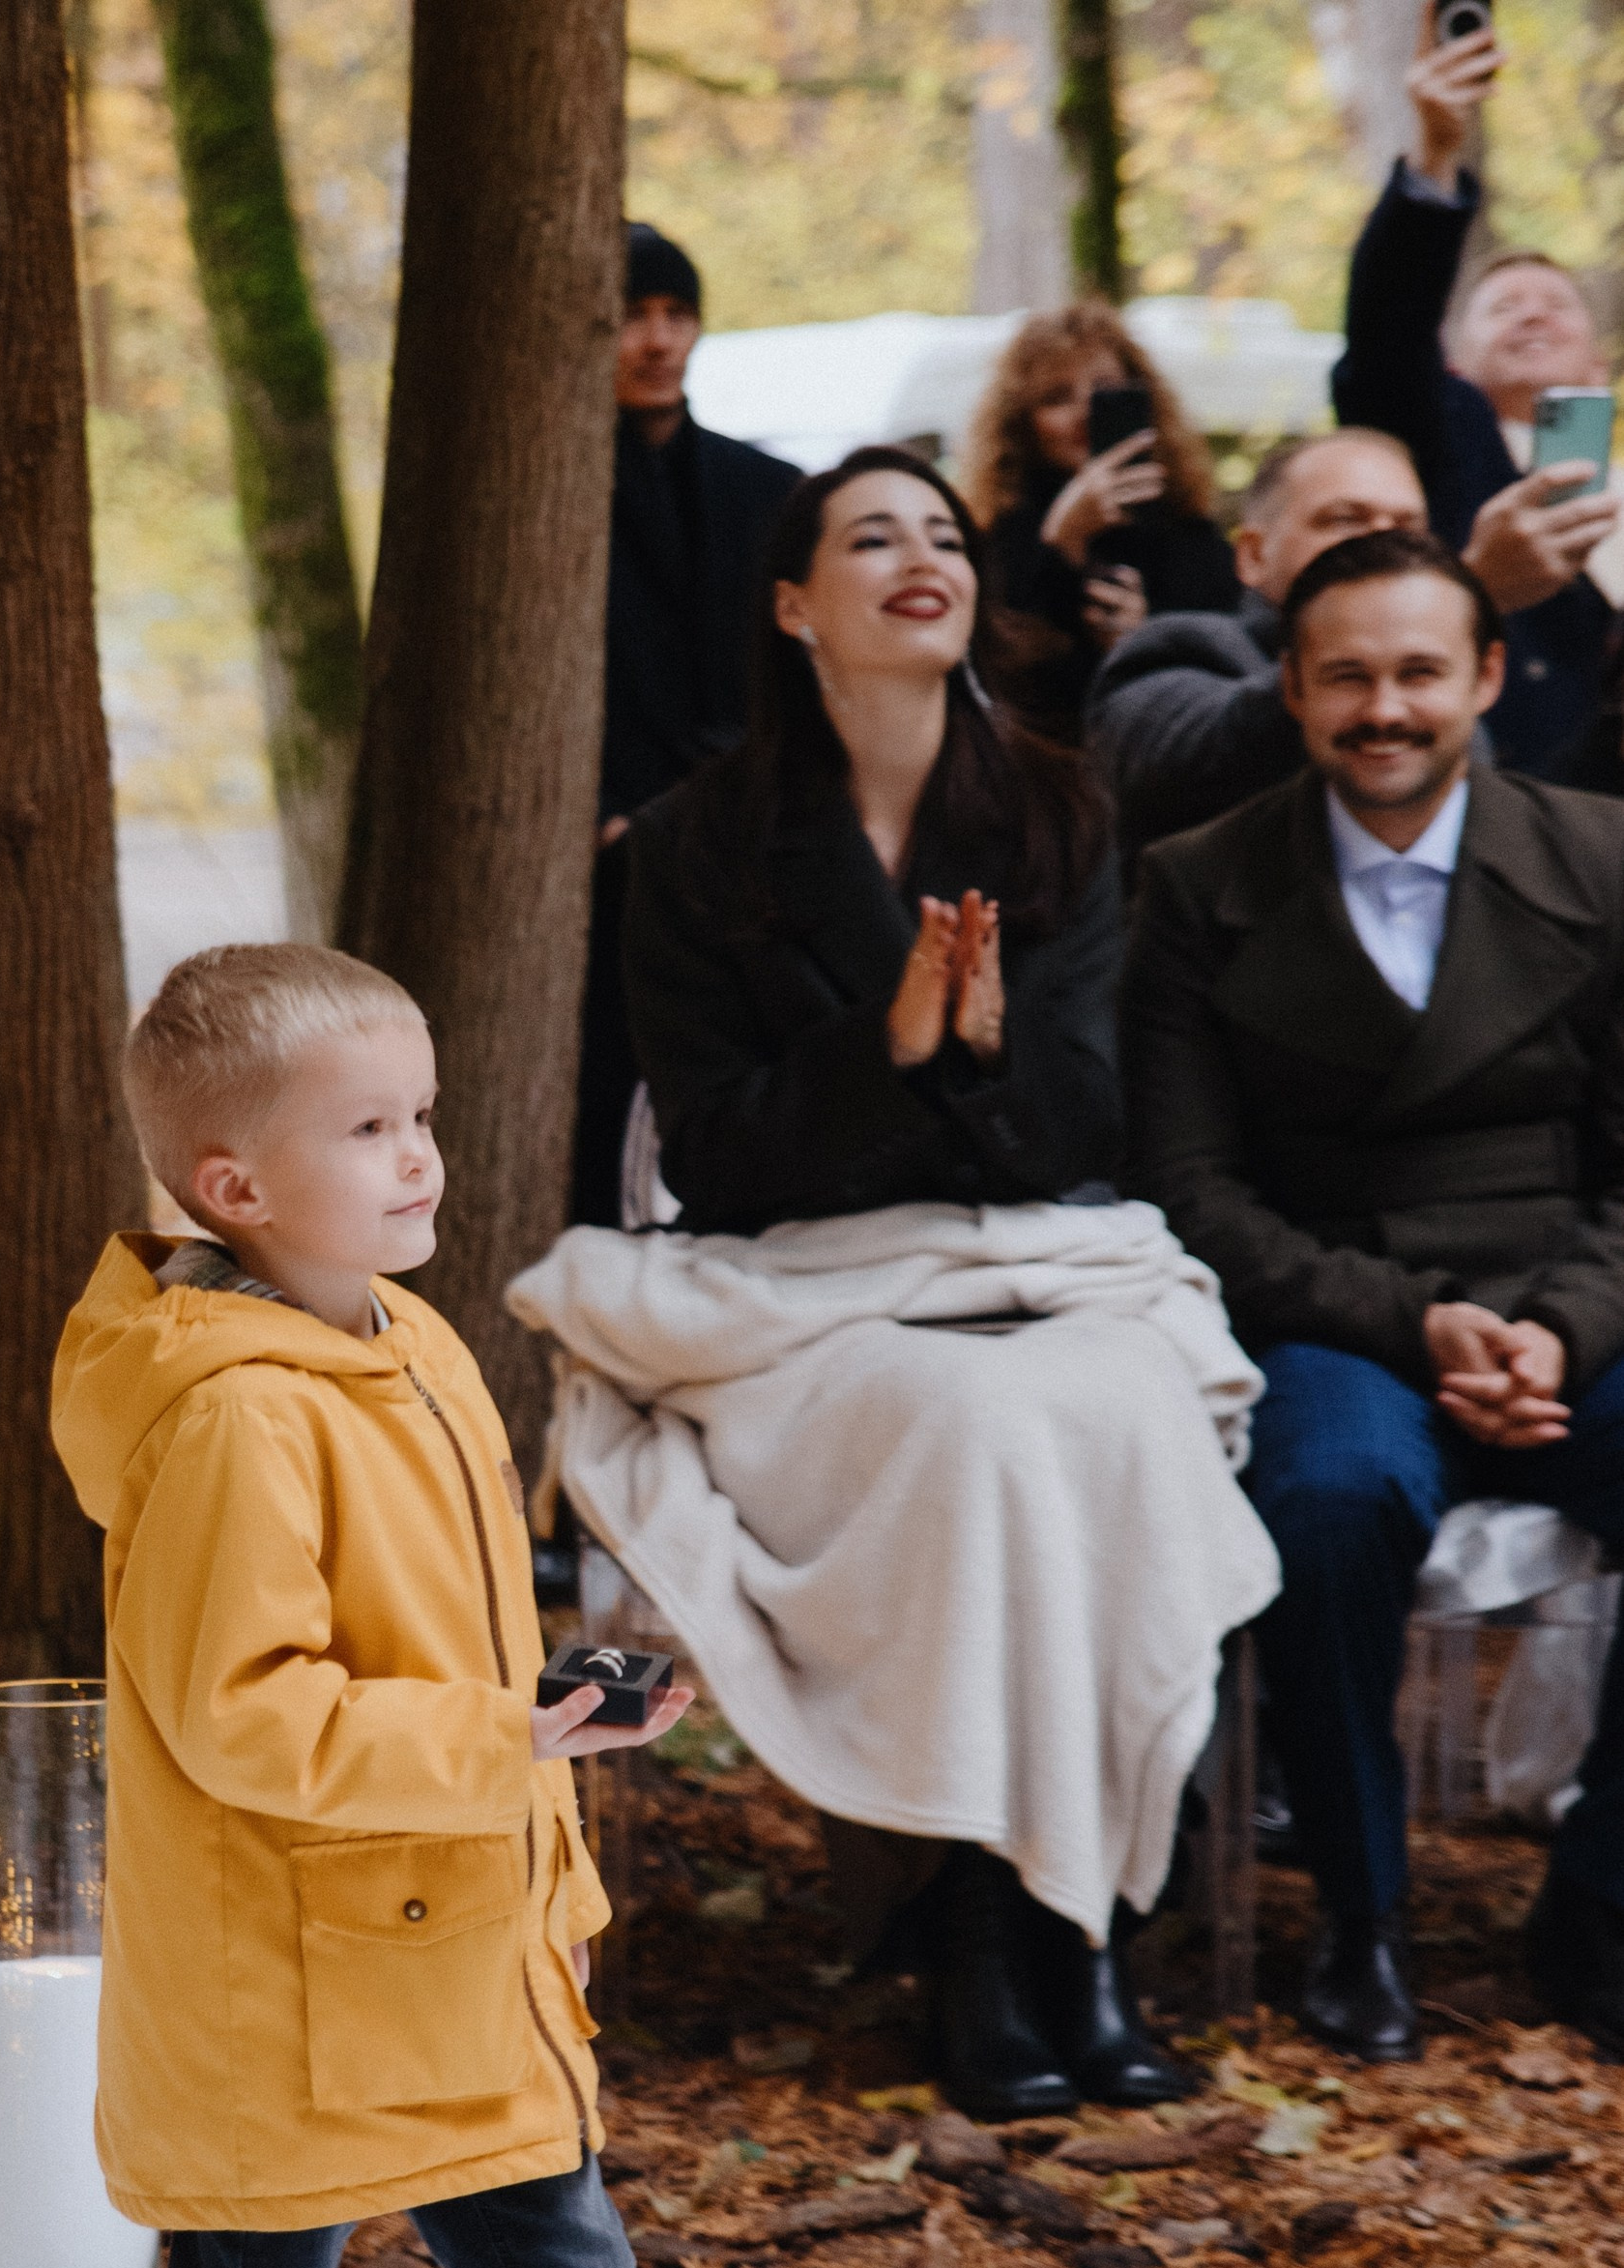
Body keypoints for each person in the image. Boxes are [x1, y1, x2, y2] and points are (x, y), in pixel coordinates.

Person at [0, 942, 942, 2268]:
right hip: (306, 1999)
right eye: (367, 1129)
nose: (421, 1158)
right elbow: (242, 1719)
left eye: (418, 1116)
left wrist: (546, 1702)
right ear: (227, 1187)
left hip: (449, 1957)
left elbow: (437, 1621)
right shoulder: (234, 1413)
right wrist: (502, 1738)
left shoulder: (395, 1335)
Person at [586, 446, 1279, 2121]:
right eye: (870, 536)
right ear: (789, 603)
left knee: (1107, 1411)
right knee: (969, 1429)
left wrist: (976, 1058)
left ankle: (1087, 1932)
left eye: (946, 538)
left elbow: (1089, 1122)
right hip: (800, 1281)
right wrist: (881, 1050)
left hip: (1034, 1254)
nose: (923, 558)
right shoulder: (691, 843)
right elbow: (720, 1154)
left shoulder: (1059, 807)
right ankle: (982, 1935)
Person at [1124, 530, 1624, 2067]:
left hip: (1567, 1297)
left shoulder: (1602, 857)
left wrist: (1554, 1328)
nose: (1381, 708)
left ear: (1483, 676)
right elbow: (1194, 1194)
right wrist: (1413, 1326)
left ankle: (1601, 1899)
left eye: (1417, 671)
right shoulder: (1196, 887)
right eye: (1344, 675)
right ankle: (1362, 1917)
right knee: (1328, 1501)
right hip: (1340, 1309)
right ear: (1287, 688)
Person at [568, 224, 801, 1228]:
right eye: (631, 317)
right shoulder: (549, 500)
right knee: (598, 1114)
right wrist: (607, 818)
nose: (655, 341)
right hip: (598, 869)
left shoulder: (769, 493)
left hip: (748, 853)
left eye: (674, 315)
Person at [1331, 0, 1623, 773]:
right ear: (1455, 358)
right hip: (1517, 795)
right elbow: (1385, 343)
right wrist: (1434, 150)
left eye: (1553, 304)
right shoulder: (1442, 440)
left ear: (1599, 366)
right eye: (1502, 307)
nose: (1530, 315)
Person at [1088, 426, 1429, 868]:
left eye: (1408, 528)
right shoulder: (1174, 649)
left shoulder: (1445, 683)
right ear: (1253, 554)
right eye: (1345, 519)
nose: (1385, 546)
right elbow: (1201, 765)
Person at [962, 301, 1238, 744]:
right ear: (1023, 422)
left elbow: (1224, 669)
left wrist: (1142, 639)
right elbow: (1001, 679)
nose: (1084, 411)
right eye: (1056, 397)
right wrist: (1060, 547)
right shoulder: (996, 541)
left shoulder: (1187, 532)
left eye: (1104, 389)